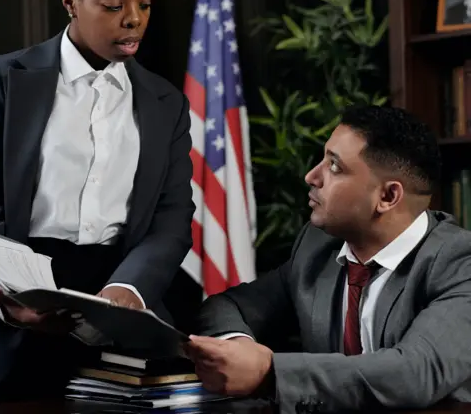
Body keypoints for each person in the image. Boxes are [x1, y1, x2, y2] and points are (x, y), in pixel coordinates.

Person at [0, 0, 194, 407]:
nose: (134, 18)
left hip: (114, 317)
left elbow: (171, 218)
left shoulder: (166, 102)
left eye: (145, 2)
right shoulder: (6, 79)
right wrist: (10, 295)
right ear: (70, 1)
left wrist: (130, 288)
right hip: (8, 313)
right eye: (113, 3)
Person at [186, 105, 471, 412]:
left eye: (334, 167)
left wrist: (268, 372)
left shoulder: (459, 262)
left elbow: (415, 373)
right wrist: (238, 346)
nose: (311, 176)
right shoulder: (318, 246)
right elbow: (230, 305)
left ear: (388, 197)